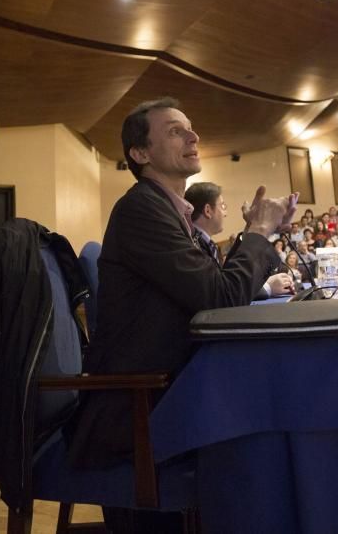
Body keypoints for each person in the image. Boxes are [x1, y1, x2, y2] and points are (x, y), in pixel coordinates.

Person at [67, 98, 297, 488]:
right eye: (175, 131)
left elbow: (215, 290)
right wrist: (258, 232)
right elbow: (221, 299)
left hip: (173, 387)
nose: (193, 135)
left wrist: (258, 234)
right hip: (141, 409)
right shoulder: (141, 209)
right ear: (140, 153)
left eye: (190, 127)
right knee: (284, 414)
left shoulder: (170, 212)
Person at [185, 181, 296, 299]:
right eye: (223, 206)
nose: (225, 213)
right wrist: (267, 287)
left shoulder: (208, 244)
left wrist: (250, 226)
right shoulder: (191, 244)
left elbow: (227, 278)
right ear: (208, 211)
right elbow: (220, 295)